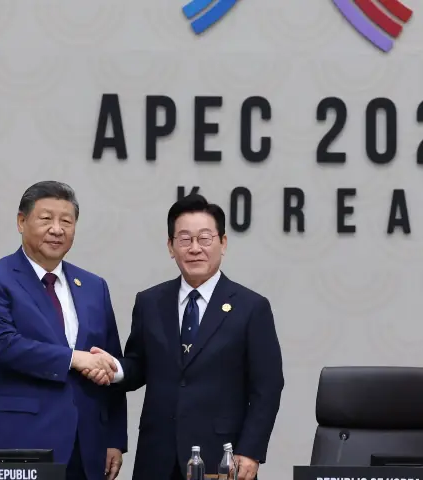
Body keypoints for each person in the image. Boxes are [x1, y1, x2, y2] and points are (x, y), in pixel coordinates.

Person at [86, 194, 284, 480]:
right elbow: (138, 365)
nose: (195, 249)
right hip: (157, 455)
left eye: (205, 238)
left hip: (222, 457)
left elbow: (268, 387)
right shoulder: (150, 302)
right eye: (184, 239)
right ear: (170, 246)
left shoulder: (251, 307)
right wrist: (114, 369)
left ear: (223, 243)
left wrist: (250, 450)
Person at [0, 181, 127, 480]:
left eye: (66, 221)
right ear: (21, 221)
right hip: (20, 441)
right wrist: (73, 358)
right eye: (46, 219)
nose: (57, 229)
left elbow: (109, 361)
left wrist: (115, 439)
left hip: (87, 446)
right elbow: (1, 344)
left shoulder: (94, 287)